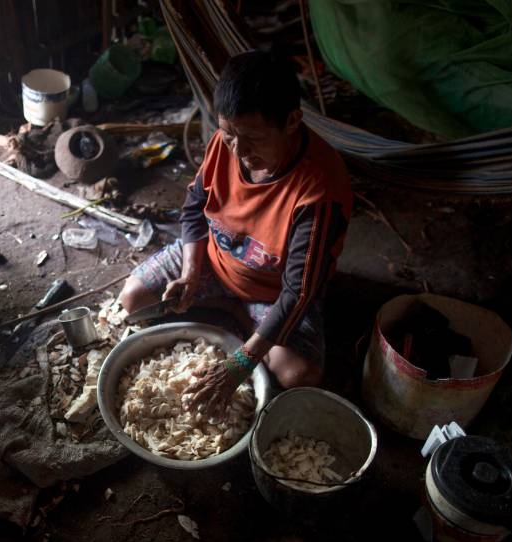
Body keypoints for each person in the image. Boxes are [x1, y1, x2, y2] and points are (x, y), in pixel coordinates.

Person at [118, 50, 352, 412]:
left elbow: (299, 291)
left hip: (272, 292)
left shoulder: (319, 191)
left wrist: (240, 363)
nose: (239, 151)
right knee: (134, 300)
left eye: (254, 139)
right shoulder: (226, 143)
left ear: (292, 121)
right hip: (214, 259)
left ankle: (244, 314)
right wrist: (190, 274)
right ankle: (230, 307)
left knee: (297, 375)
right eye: (228, 134)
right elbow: (194, 208)